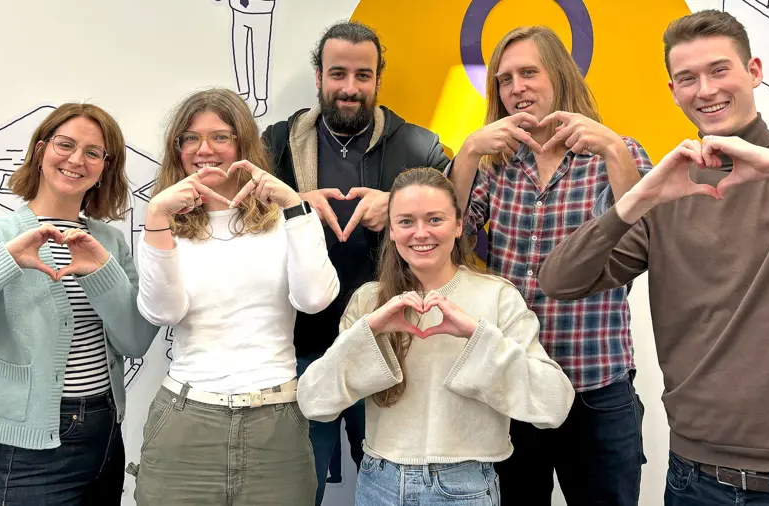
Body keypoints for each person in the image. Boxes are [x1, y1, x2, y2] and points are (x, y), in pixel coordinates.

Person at [538, 9, 769, 506]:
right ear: (673, 91)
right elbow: (559, 280)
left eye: (719, 70)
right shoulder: (669, 197)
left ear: (754, 71)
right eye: (687, 78)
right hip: (698, 481)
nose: (705, 89)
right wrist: (636, 199)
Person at [444, 25, 652, 505]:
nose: (516, 87)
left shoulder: (615, 153)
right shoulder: (493, 164)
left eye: (528, 73)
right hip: (514, 379)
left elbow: (647, 242)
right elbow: (453, 239)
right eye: (504, 79)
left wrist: (617, 152)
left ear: (558, 75)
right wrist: (471, 150)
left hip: (597, 384)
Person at [297, 166, 574, 506]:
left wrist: (478, 336)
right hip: (378, 483)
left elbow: (554, 404)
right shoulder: (369, 301)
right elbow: (314, 402)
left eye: (435, 219)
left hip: (467, 486)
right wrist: (368, 332)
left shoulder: (498, 297)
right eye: (406, 221)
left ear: (459, 225)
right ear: (392, 231)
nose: (421, 233)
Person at [263, 20, 450, 504]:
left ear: (378, 80)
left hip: (392, 350)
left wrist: (399, 205)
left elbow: (453, 224)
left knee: (392, 488)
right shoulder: (278, 142)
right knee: (302, 488)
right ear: (319, 77)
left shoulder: (419, 147)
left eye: (362, 76)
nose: (350, 88)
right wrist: (295, 202)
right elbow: (242, 222)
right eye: (338, 74)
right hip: (303, 350)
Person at [130, 88, 340, 506]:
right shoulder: (163, 222)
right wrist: (156, 217)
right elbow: (162, 311)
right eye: (190, 138)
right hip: (186, 420)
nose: (204, 149)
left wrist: (295, 205)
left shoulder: (285, 220)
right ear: (178, 149)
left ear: (243, 145)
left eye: (220, 137)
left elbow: (315, 299)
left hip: (276, 422)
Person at [0, 103, 158, 504]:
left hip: (105, 437)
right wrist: (8, 259)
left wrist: (99, 273)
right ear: (40, 150)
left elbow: (136, 340)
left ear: (106, 166)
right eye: (65, 144)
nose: (76, 159)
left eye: (93, 152)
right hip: (26, 448)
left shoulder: (110, 242)